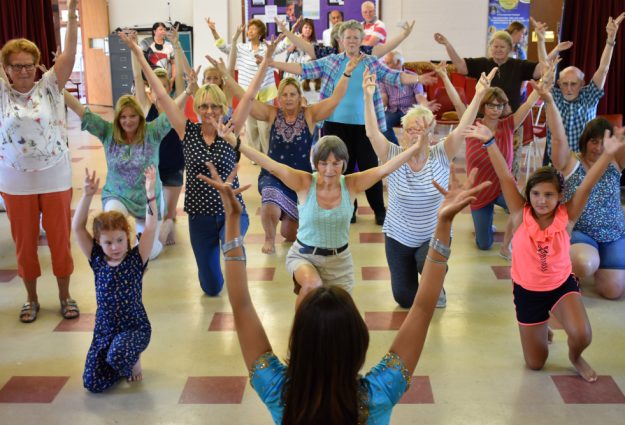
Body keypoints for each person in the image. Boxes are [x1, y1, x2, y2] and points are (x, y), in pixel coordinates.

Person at [198, 159, 489, 424]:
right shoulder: (378, 395)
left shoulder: (279, 392)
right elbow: (424, 309)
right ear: (358, 343)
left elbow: (241, 307)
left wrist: (232, 222)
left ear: (297, 341)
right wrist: (443, 224)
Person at [462, 101, 625, 382]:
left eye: (549, 195)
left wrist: (607, 156)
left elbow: (585, 185)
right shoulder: (520, 211)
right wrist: (490, 142)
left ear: (559, 197)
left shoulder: (568, 214)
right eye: (536, 193)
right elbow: (504, 175)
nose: (541, 200)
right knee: (536, 364)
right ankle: (540, 328)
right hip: (527, 291)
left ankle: (575, 357)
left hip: (561, 285)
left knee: (582, 335)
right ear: (529, 194)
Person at [267, 20, 437, 225]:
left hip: (366, 125)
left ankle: (379, 210)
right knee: (341, 169)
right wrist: (274, 63)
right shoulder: (331, 61)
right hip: (334, 124)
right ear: (341, 39)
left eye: (356, 38)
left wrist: (418, 79)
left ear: (361, 40)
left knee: (370, 168)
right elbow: (304, 69)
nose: (352, 41)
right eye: (348, 37)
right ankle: (349, 210)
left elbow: (394, 77)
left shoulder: (371, 62)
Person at [119, 31, 250, 297]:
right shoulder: (186, 130)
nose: (210, 111)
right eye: (204, 106)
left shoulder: (231, 128)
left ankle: (240, 290)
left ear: (223, 107)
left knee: (231, 244)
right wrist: (136, 51)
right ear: (197, 107)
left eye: (215, 106)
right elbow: (160, 93)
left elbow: (249, 97)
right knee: (211, 287)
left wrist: (243, 58)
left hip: (231, 211)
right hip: (200, 215)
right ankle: (216, 275)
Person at [365, 67, 497, 309]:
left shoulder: (441, 153)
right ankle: (427, 286)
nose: (415, 134)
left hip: (431, 234)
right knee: (405, 299)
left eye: (422, 128)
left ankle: (436, 285)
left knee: (425, 264)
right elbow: (372, 133)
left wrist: (478, 95)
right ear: (403, 134)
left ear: (431, 132)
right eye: (410, 129)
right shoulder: (392, 154)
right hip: (398, 235)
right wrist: (368, 95)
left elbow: (462, 127)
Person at [207, 50, 360, 254]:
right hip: (273, 175)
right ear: (278, 98)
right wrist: (226, 75)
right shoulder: (272, 114)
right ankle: (269, 238)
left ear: (299, 97)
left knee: (290, 234)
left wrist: (347, 73)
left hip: (299, 179)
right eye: (284, 95)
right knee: (270, 199)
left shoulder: (310, 115)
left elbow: (335, 100)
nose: (288, 99)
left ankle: (288, 219)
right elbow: (246, 99)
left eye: (292, 95)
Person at [0, 0, 79, 323]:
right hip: (15, 182)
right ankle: (31, 299)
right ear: (5, 68)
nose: (23, 70)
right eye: (16, 65)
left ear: (37, 65)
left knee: (60, 242)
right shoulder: (2, 94)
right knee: (24, 246)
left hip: (55, 176)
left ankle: (65, 295)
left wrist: (71, 17)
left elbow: (70, 54)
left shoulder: (50, 87)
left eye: (28, 64)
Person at [64, 81, 175, 260]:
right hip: (118, 194)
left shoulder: (152, 131)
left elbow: (172, 111)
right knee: (111, 226)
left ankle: (167, 225)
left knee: (149, 254)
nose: (128, 121)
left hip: (148, 198)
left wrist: (187, 90)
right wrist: (59, 86)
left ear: (139, 116)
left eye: (132, 116)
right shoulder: (108, 132)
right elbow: (81, 110)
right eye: (123, 117)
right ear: (117, 118)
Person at [73, 167, 156, 392]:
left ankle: (131, 357)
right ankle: (119, 360)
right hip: (105, 330)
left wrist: (150, 194)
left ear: (127, 237)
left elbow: (150, 227)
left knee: (120, 353)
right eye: (108, 242)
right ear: (98, 243)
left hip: (134, 329)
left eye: (120, 240)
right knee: (92, 383)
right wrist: (87, 195)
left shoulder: (135, 258)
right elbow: (78, 227)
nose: (115, 247)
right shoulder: (97, 259)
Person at [462, 62, 551, 257]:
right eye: (491, 104)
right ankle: (485, 224)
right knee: (484, 245)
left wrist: (545, 80)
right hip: (480, 190)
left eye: (499, 105)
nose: (495, 109)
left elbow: (528, 105)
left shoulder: (509, 124)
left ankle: (508, 245)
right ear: (483, 106)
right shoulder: (472, 125)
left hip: (504, 188)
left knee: (526, 210)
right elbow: (461, 106)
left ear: (504, 106)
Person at [545, 94, 625, 300]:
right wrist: (549, 100)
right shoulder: (571, 162)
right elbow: (557, 136)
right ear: (585, 141)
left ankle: (602, 265)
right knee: (584, 263)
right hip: (581, 232)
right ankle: (571, 269)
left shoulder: (615, 161)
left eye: (603, 143)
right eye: (593, 142)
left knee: (612, 291)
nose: (598, 148)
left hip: (614, 232)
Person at [533, 13, 624, 164]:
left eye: (573, 84)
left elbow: (603, 68)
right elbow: (544, 68)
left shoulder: (589, 95)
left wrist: (610, 39)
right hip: (557, 160)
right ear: (559, 83)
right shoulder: (553, 95)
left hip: (583, 160)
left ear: (582, 84)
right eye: (564, 84)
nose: (568, 88)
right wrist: (541, 41)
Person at [131, 28, 191, 246]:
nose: (159, 90)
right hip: (152, 168)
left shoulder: (176, 106)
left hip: (174, 166)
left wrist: (176, 44)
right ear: (150, 90)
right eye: (155, 86)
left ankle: (169, 224)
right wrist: (133, 48)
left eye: (164, 86)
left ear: (168, 88)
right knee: (156, 209)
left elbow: (183, 82)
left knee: (169, 213)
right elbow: (138, 77)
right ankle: (161, 228)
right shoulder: (145, 106)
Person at [207, 17, 287, 154]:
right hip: (247, 93)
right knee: (251, 128)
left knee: (265, 127)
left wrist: (289, 32)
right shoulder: (241, 48)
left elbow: (283, 46)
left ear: (260, 33)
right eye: (249, 29)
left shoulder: (267, 47)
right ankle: (255, 155)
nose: (249, 31)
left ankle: (268, 154)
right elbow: (223, 47)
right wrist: (213, 30)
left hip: (265, 93)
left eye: (253, 29)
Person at [379, 50, 425, 144]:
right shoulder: (384, 78)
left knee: (416, 126)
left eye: (388, 63)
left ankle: (414, 150)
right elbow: (384, 97)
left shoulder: (412, 76)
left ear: (399, 63)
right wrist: (377, 106)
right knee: (381, 123)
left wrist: (424, 107)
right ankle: (396, 149)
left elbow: (419, 96)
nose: (385, 66)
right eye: (384, 63)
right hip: (393, 111)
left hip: (410, 111)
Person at [141, 22, 176, 88]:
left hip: (165, 79)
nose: (163, 31)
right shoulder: (146, 43)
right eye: (161, 29)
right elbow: (141, 62)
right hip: (149, 79)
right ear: (154, 31)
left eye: (165, 30)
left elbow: (173, 63)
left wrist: (173, 78)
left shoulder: (169, 45)